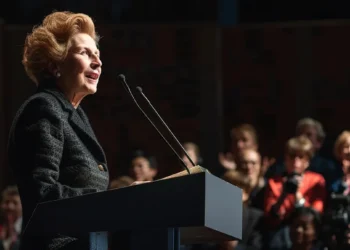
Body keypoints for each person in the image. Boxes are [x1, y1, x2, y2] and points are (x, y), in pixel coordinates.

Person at [7, 11, 109, 249]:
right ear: (54, 64)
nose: (98, 61)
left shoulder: (74, 114)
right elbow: (42, 194)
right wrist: (114, 201)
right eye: (85, 53)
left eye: (97, 54)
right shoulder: (43, 108)